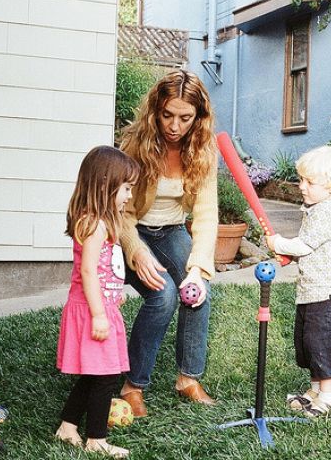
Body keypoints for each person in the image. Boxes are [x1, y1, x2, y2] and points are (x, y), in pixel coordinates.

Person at [118, 70, 218, 417]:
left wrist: (197, 268)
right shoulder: (135, 143)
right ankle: (133, 385)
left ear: (198, 118)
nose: (174, 126)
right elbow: (120, 212)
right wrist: (136, 250)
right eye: (167, 115)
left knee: (199, 290)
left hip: (172, 231)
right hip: (131, 232)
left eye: (185, 118)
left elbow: (206, 215)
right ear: (156, 110)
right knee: (162, 297)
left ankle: (187, 378)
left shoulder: (203, 149)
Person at [55, 146, 140, 458]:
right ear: (106, 185)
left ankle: (67, 427)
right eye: (127, 188)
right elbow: (88, 270)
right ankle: (97, 439)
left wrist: (112, 300)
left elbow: (105, 270)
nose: (129, 195)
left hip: (102, 308)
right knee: (105, 377)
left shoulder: (102, 221)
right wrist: (100, 314)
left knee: (95, 374)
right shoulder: (94, 224)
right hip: (92, 312)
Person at [265, 146, 331, 418]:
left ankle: (327, 397)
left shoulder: (329, 208)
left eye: (309, 182)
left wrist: (277, 242)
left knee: (322, 343)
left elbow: (305, 245)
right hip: (312, 291)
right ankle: (315, 391)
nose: (301, 186)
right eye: (301, 179)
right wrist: (288, 254)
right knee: (308, 343)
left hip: (330, 294)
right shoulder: (315, 209)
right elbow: (310, 249)